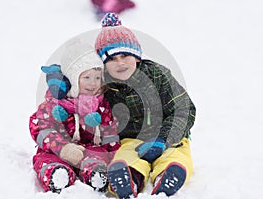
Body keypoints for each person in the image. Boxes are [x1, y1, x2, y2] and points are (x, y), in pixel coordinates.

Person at [94, 13, 196, 198]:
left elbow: (184, 109)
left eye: (125, 55)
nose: (120, 63)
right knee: (125, 156)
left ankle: (167, 176)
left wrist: (163, 140)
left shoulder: (158, 75)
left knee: (175, 155)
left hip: (169, 137)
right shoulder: (105, 86)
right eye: (111, 59)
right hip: (130, 140)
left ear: (137, 56)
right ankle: (129, 179)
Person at [29, 40, 120, 193]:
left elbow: (109, 130)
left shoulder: (100, 104)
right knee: (44, 159)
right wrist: (62, 148)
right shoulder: (55, 103)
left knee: (97, 158)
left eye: (97, 78)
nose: (93, 83)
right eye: (87, 78)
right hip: (58, 149)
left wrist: (111, 154)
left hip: (89, 149)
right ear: (72, 79)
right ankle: (56, 173)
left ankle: (95, 175)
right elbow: (40, 127)